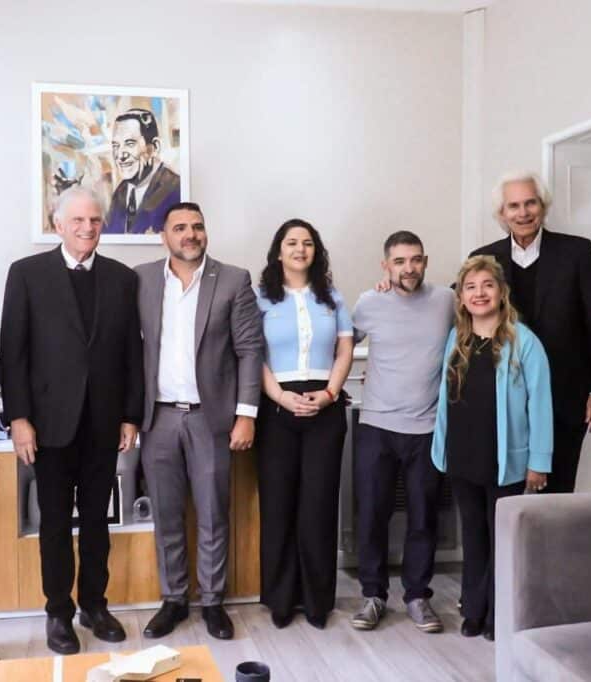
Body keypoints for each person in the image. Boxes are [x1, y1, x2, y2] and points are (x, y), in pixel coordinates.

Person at [0, 186, 143, 655]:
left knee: (98, 524)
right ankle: (58, 612)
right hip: (48, 426)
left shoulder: (122, 278)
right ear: (57, 224)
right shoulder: (26, 274)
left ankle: (95, 606)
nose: (87, 228)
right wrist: (18, 418)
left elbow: (132, 351)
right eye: (78, 220)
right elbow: (12, 354)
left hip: (104, 423)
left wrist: (131, 415)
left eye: (95, 220)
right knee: (56, 525)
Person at [134, 202, 264, 640]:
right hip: (158, 418)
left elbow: (249, 350)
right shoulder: (141, 279)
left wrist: (246, 415)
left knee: (213, 514)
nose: (190, 234)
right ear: (164, 236)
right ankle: (173, 599)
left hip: (212, 419)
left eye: (197, 227)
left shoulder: (233, 280)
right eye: (180, 228)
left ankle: (212, 602)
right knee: (166, 515)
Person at [471, 171, 591, 493]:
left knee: (557, 497)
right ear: (502, 213)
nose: (523, 213)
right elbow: (459, 307)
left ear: (543, 206)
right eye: (514, 206)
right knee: (505, 498)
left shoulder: (578, 252)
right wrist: (393, 290)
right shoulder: (484, 259)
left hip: (565, 398)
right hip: (503, 401)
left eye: (531, 203)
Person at [431, 255, 553, 641]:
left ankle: (498, 615)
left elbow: (541, 405)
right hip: (462, 454)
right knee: (473, 537)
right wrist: (441, 449)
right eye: (470, 287)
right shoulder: (456, 339)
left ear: (502, 292)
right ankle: (474, 609)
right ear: (461, 297)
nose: (479, 293)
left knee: (502, 539)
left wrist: (539, 462)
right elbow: (444, 399)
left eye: (487, 285)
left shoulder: (524, 342)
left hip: (505, 460)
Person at [349, 230, 455, 633]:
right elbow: (339, 344)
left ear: (425, 261)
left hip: (427, 428)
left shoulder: (446, 300)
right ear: (385, 266)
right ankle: (373, 595)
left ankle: (417, 596)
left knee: (423, 516)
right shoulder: (368, 302)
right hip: (376, 425)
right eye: (399, 261)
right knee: (371, 514)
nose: (408, 268)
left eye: (415, 260)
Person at [255, 219, 354, 630]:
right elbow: (252, 354)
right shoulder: (259, 298)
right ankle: (281, 600)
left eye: (308, 243)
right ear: (278, 251)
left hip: (324, 408)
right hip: (276, 408)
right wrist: (280, 396)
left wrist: (329, 393)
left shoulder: (333, 297)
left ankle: (317, 601)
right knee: (278, 506)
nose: (300, 249)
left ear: (316, 251)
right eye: (292, 242)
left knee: (318, 507)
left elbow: (345, 349)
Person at [104, 108, 182, 234]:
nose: (120, 155)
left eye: (130, 144)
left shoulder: (175, 189)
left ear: (154, 147)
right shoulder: (120, 193)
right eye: (116, 146)